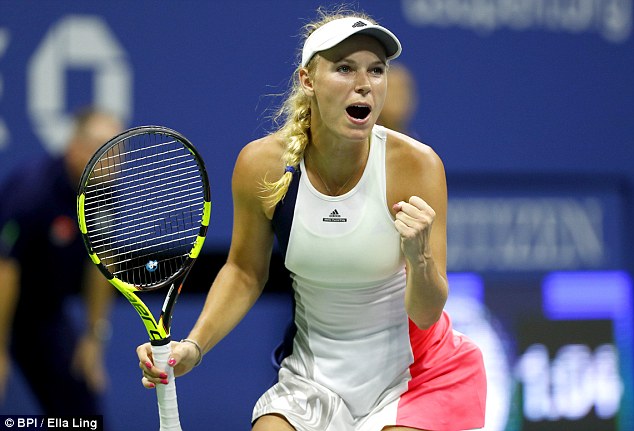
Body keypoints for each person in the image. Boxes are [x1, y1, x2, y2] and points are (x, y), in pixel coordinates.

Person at [137, 7, 487, 431]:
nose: (363, 84)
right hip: (312, 381)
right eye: (344, 68)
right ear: (308, 80)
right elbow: (245, 272)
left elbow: (428, 314)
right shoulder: (262, 165)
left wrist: (420, 259)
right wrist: (193, 346)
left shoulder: (416, 165)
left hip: (417, 380)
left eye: (376, 70)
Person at [0, 108, 123, 415]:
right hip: (4, 303)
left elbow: (101, 264)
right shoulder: (32, 190)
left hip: (43, 314)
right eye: (106, 150)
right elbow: (5, 270)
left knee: (83, 411)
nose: (115, 161)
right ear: (75, 148)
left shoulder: (104, 192)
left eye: (118, 151)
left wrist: (94, 338)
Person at [377, 61, 419, 135]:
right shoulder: (358, 141)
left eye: (403, 88)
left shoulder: (415, 145)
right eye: (391, 88)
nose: (398, 95)